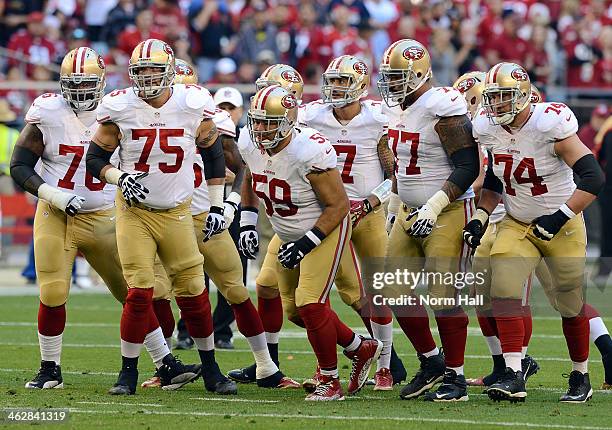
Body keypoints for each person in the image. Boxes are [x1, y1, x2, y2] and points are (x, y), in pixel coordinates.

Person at [10, 46, 199, 392]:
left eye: (87, 83)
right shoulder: (48, 112)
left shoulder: (119, 109)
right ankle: (49, 368)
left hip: (102, 214)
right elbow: (18, 166)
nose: (80, 91)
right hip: (55, 212)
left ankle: (165, 362)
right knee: (52, 291)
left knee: (132, 293)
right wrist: (53, 194)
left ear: (101, 82)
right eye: (74, 83)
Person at [86, 39, 236, 395]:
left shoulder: (191, 104)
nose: (147, 77)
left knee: (194, 293)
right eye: (141, 71)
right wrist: (118, 176)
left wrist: (216, 204)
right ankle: (128, 373)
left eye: (154, 70)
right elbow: (94, 159)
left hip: (177, 211)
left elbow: (215, 157)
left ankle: (212, 369)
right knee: (139, 290)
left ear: (170, 71)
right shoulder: (120, 107)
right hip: (134, 212)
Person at [465, 62, 605, 402]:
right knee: (503, 286)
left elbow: (593, 177)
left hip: (564, 223)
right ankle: (514, 372)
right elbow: (498, 176)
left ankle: (580, 375)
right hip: (517, 221)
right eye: (492, 98)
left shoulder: (548, 124)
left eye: (504, 97)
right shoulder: (488, 128)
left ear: (524, 96)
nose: (495, 105)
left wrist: (558, 218)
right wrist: (481, 215)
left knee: (570, 304)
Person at [239, 85, 382, 401]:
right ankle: (360, 347)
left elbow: (339, 205)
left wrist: (306, 243)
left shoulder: (308, 151)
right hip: (288, 231)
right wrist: (247, 221)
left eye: (269, 123)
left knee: (310, 301)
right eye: (257, 121)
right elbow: (250, 175)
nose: (260, 130)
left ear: (289, 122)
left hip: (324, 230)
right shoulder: (250, 142)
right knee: (294, 311)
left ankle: (330, 381)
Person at [378, 39, 480, 402]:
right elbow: (400, 170)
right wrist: (394, 210)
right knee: (391, 288)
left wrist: (434, 206)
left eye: (397, 76)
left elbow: (470, 167)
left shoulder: (442, 105)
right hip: (407, 212)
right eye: (387, 76)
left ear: (420, 73)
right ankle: (431, 361)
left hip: (448, 211)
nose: (389, 83)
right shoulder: (395, 111)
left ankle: (457, 377)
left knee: (444, 296)